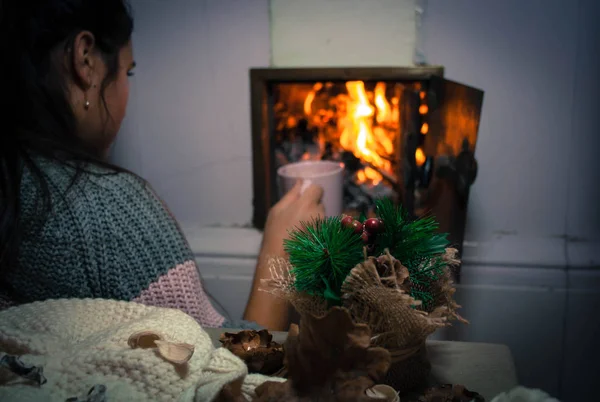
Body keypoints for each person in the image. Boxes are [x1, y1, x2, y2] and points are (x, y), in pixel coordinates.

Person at [0, 0, 323, 330]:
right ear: (85, 60)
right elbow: (223, 371)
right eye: (128, 72)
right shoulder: (111, 210)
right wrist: (280, 250)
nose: (127, 89)